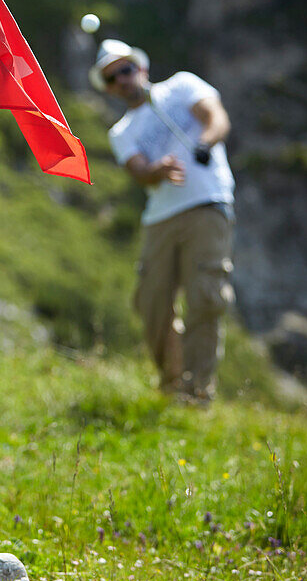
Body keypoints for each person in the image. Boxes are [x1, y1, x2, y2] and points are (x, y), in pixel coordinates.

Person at [90, 39, 235, 403]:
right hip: (160, 219)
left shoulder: (182, 86)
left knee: (205, 296)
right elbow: (140, 172)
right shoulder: (121, 132)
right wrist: (159, 170)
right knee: (151, 302)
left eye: (125, 69)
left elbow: (216, 118)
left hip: (207, 204)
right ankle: (172, 383)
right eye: (112, 78)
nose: (122, 79)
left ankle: (197, 391)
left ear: (140, 67)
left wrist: (204, 143)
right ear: (108, 89)